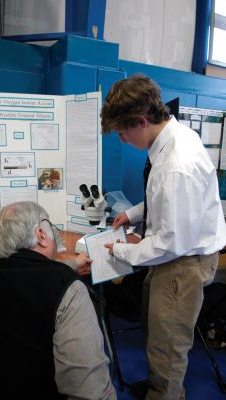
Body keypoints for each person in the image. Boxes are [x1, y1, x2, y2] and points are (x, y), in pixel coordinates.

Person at [101, 74, 226, 400]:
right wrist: (135, 213)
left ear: (141, 120)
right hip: (173, 255)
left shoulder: (176, 163)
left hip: (182, 260)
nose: (122, 139)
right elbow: (168, 197)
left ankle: (166, 394)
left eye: (122, 131)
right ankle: (159, 387)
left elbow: (173, 243)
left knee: (167, 344)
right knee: (154, 328)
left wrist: (121, 250)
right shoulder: (175, 136)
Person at [0, 201, 116, 400]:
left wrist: (71, 264)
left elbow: (28, 273)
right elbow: (91, 392)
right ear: (42, 235)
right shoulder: (69, 291)